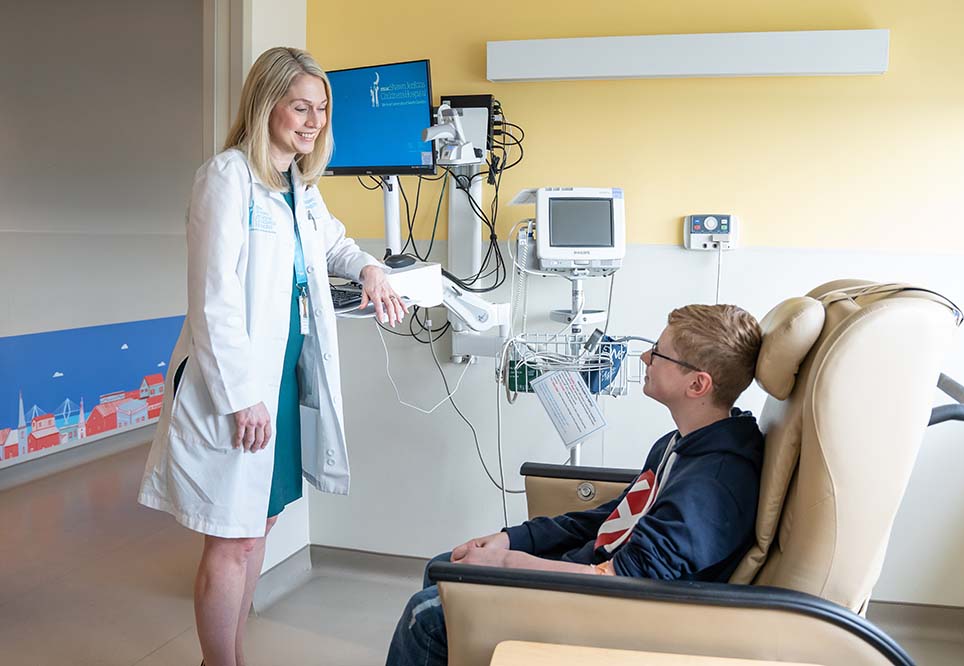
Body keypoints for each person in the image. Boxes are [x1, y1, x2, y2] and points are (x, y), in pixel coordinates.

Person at [137, 47, 406, 666]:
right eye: (300, 107)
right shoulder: (227, 177)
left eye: (322, 110)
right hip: (237, 387)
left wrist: (369, 267)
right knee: (231, 539)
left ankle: (228, 657)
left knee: (259, 525)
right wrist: (240, 397)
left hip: (282, 384)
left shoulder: (295, 184)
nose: (313, 122)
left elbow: (332, 242)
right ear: (267, 106)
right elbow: (214, 300)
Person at [386, 304, 765, 666]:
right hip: (593, 580)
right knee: (442, 566)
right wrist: (513, 540)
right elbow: (610, 519)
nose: (645, 359)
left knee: (427, 617)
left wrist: (505, 563)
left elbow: (622, 582)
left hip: (616, 612)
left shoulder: (711, 487)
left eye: (659, 355)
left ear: (698, 384)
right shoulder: (683, 443)